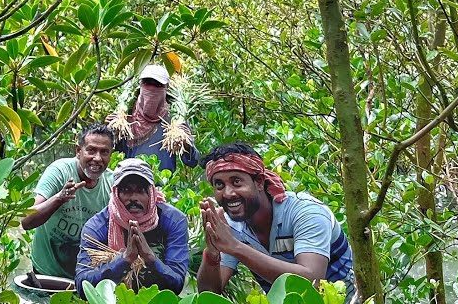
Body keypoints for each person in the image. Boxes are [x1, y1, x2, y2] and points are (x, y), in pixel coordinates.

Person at [196, 143, 356, 301]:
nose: (228, 193)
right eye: (219, 185)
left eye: (236, 182)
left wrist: (235, 247)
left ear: (259, 182)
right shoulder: (229, 225)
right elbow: (209, 294)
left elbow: (312, 282)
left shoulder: (306, 212)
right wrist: (213, 252)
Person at [75, 157, 190, 294]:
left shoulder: (173, 221)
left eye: (141, 190)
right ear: (116, 193)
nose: (134, 198)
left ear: (151, 193)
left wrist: (149, 257)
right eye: (126, 190)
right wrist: (124, 260)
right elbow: (82, 285)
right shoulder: (97, 227)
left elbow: (177, 283)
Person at [22, 124, 115, 280]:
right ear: (79, 151)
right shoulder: (59, 172)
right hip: (46, 272)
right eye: (91, 150)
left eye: (104, 152)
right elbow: (26, 221)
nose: (97, 158)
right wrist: (59, 198)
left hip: (81, 276)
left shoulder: (112, 184)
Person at [108, 63, 197, 173]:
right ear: (140, 85)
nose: (151, 88)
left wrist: (186, 145)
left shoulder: (174, 121)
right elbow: (108, 152)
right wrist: (108, 132)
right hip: (126, 182)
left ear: (166, 88)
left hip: (161, 185)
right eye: (147, 83)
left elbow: (193, 161)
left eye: (157, 85)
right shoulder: (125, 117)